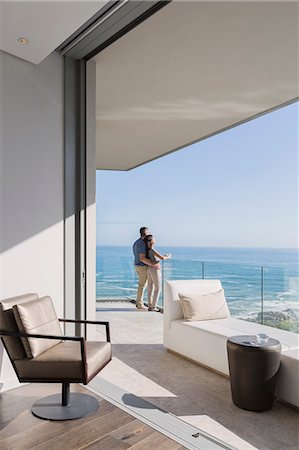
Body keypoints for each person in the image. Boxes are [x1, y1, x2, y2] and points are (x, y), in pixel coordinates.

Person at [133, 227, 159, 310]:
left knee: (143, 284)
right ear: (145, 233)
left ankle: (142, 303)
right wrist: (153, 264)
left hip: (138, 265)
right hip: (142, 266)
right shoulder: (141, 243)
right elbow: (142, 258)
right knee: (142, 285)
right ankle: (139, 304)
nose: (150, 234)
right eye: (148, 233)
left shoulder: (137, 242)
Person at [144, 234, 171, 311]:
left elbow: (156, 258)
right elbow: (162, 258)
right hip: (155, 269)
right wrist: (168, 256)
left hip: (149, 268)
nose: (155, 240)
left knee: (150, 287)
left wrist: (162, 257)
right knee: (158, 288)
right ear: (151, 241)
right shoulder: (152, 249)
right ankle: (153, 306)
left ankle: (150, 305)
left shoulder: (148, 250)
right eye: (153, 239)